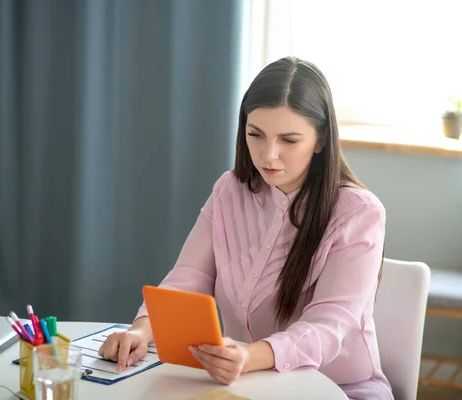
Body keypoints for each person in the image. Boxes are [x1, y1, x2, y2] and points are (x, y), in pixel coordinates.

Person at [98, 56, 393, 399]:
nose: (269, 155)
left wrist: (250, 357)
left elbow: (328, 327)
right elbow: (187, 279)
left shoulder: (358, 212)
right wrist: (142, 330)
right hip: (248, 387)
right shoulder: (229, 191)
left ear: (321, 139)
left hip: (340, 389)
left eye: (289, 140)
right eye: (256, 135)